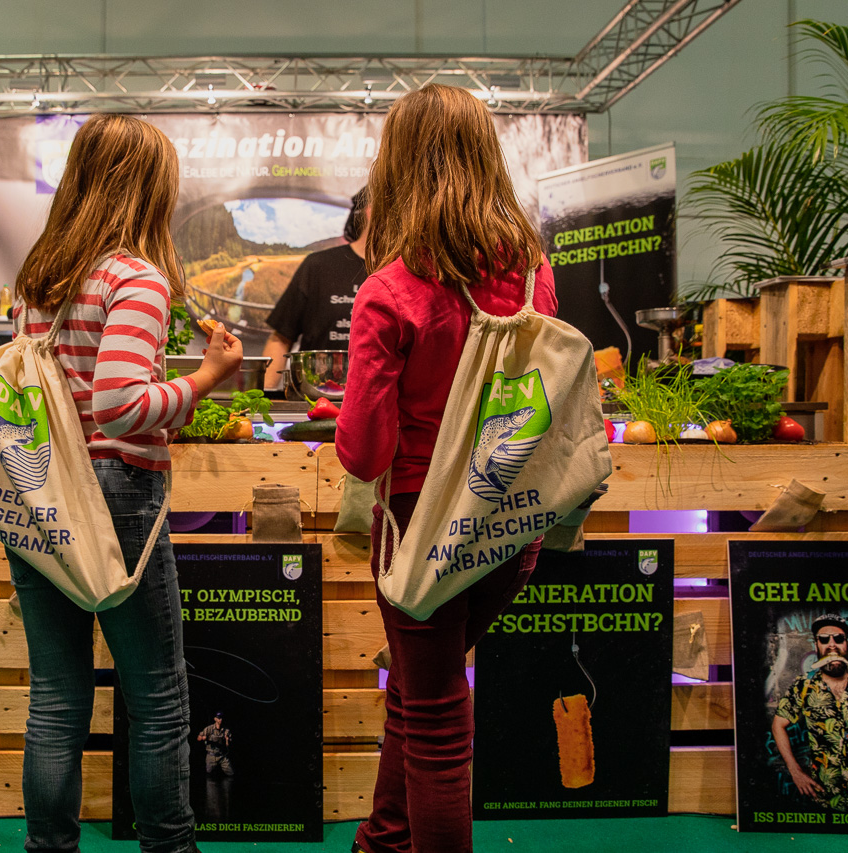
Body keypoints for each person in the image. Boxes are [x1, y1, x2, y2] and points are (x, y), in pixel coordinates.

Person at [9, 113, 242, 853]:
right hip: (118, 491)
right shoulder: (134, 277)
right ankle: (170, 848)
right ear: (148, 189)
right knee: (159, 698)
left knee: (56, 698)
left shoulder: (41, 280)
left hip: (41, 489)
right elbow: (120, 404)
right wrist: (206, 379)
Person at [334, 84, 558, 853]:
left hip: (421, 533)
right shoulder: (533, 272)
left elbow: (362, 452)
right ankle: (384, 837)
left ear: (395, 164)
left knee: (434, 721)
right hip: (509, 531)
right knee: (419, 690)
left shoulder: (388, 290)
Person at [261, 188, 370, 391]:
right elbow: (281, 338)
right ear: (370, 209)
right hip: (313, 405)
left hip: (380, 410)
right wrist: (261, 403)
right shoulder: (319, 266)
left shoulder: (405, 272)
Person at [771, 613, 848, 811]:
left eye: (838, 639)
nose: (832, 645)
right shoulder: (804, 686)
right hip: (826, 800)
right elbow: (778, 725)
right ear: (817, 646)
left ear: (847, 644)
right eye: (824, 640)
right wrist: (795, 770)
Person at [196, 712, 234, 777]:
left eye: (221, 718)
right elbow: (198, 738)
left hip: (222, 756)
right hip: (211, 756)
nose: (220, 720)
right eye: (219, 718)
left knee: (231, 774)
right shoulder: (209, 729)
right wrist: (203, 737)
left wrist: (227, 740)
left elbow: (229, 745)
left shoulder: (226, 730)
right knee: (209, 775)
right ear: (215, 719)